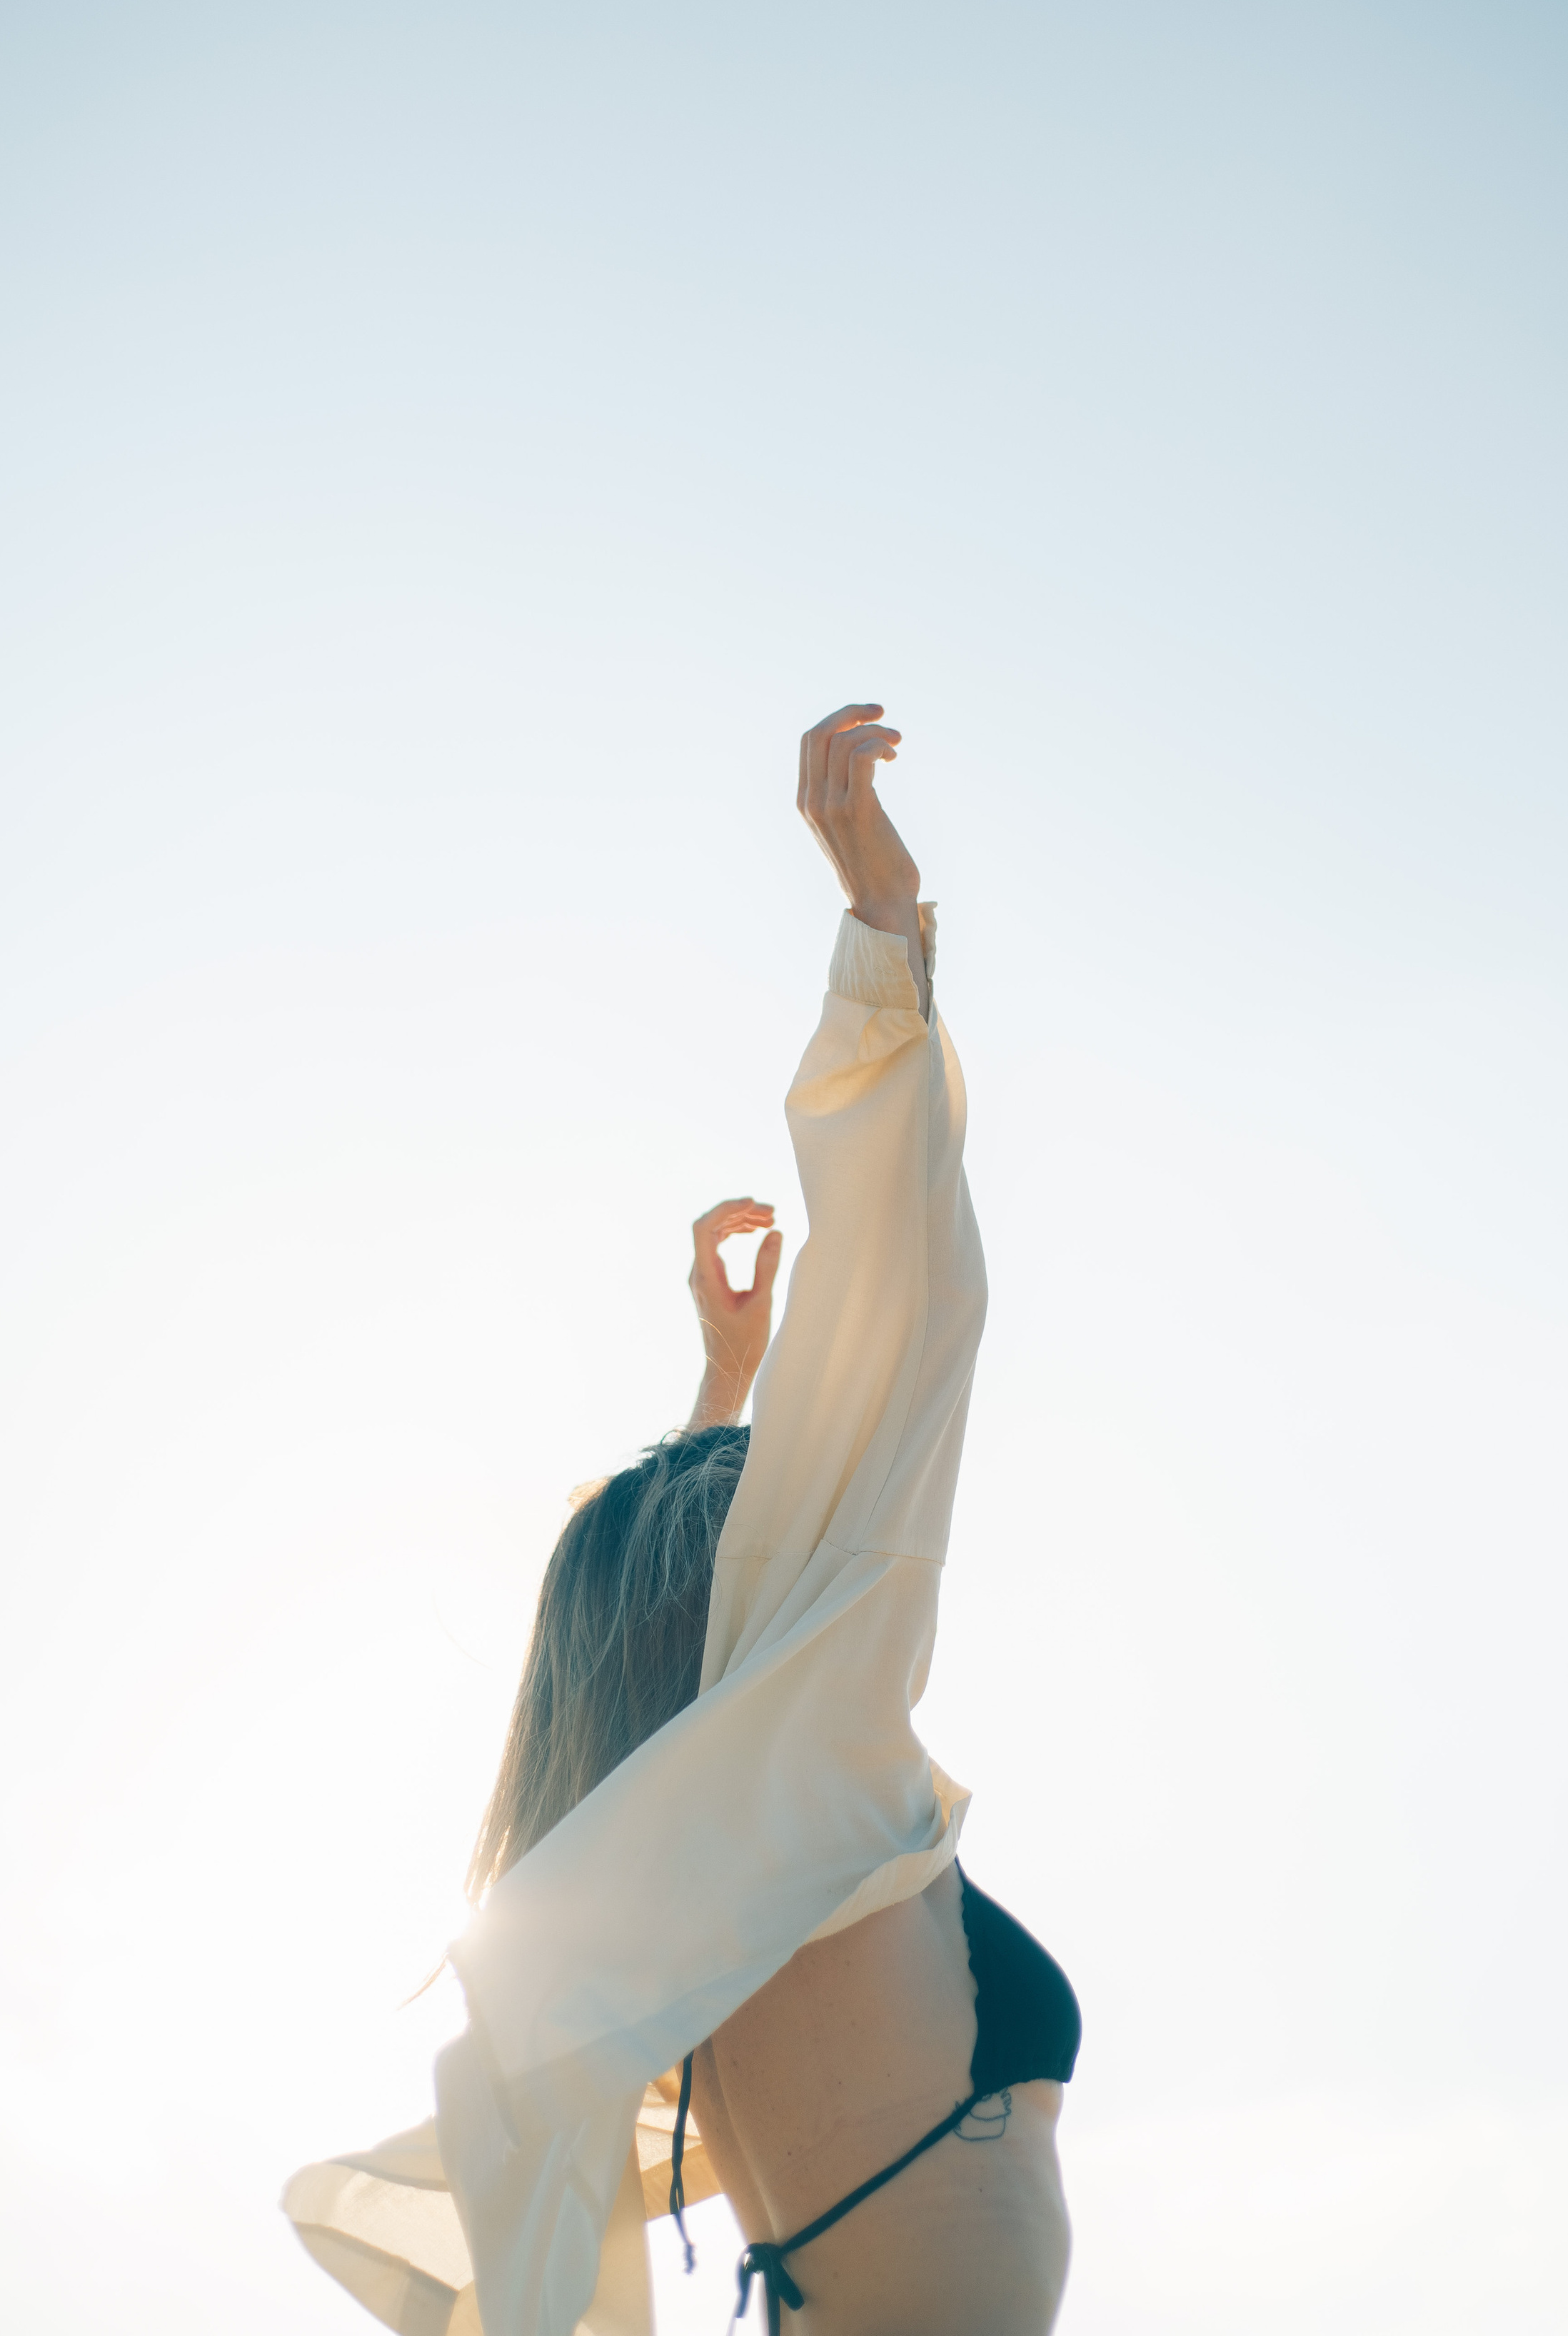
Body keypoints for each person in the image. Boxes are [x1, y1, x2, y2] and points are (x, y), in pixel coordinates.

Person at [283, 703, 1080, 2336]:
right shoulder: (799, 1773)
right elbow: (903, 1308)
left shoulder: (698, 1854)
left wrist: (719, 1396)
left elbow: (643, 1611)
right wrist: (878, 932)